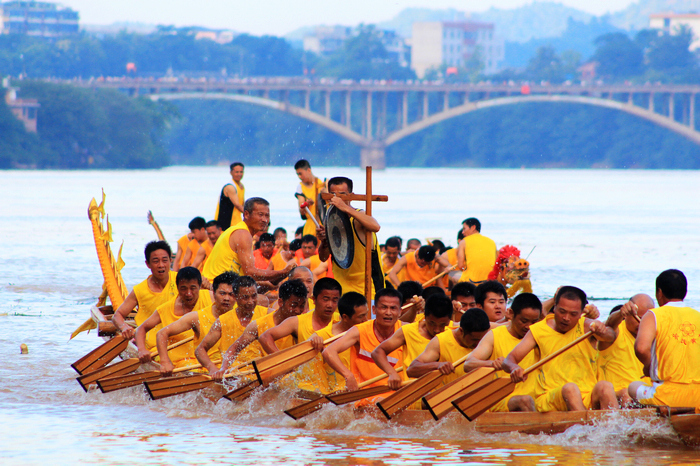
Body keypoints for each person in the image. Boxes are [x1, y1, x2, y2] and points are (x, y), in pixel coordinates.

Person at [502, 286, 619, 412]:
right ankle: (586, 428)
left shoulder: (587, 326)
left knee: (605, 386)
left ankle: (615, 430)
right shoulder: (539, 330)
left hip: (586, 394)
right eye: (562, 311)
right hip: (549, 397)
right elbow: (509, 359)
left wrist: (602, 331)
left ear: (581, 314)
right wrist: (515, 368)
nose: (566, 318)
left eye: (573, 314)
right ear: (555, 307)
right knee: (570, 389)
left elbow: (610, 336)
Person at [210, 279, 308, 380]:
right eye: (293, 305)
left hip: (293, 379)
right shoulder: (258, 325)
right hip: (268, 378)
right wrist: (223, 369)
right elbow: (234, 349)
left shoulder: (302, 322)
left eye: (302, 306)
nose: (298, 311)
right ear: (280, 302)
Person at [629, 269, 700, 407]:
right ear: (685, 292)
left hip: (667, 397)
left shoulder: (653, 315)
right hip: (698, 397)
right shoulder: (698, 315)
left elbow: (641, 348)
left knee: (633, 386)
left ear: (659, 293)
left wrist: (649, 366)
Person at [259, 278, 343, 393]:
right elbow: (265, 337)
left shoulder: (343, 321)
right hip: (306, 389)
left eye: (335, 300)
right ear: (314, 299)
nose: (330, 305)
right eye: (325, 299)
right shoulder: (297, 322)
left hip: (338, 389)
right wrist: (285, 363)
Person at [463, 293, 542, 412]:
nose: (529, 327)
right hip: (501, 400)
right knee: (525, 401)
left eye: (534, 322)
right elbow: (468, 364)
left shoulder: (539, 336)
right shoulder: (495, 335)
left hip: (535, 398)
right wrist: (492, 364)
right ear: (510, 314)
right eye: (524, 321)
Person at [156, 272, 237, 376]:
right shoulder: (197, 317)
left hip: (233, 369)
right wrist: (165, 362)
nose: (226, 298)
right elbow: (162, 333)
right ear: (213, 294)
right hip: (207, 371)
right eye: (222, 293)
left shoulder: (243, 315)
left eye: (231, 294)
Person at [323, 289, 404, 391]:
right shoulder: (360, 330)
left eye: (393, 308)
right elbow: (328, 352)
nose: (388, 313)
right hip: (365, 396)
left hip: (397, 394)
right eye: (384, 307)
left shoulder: (406, 330)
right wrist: (348, 375)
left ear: (400, 311)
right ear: (374, 310)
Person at [317, 176, 384, 297]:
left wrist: (344, 207)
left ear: (351, 195)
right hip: (341, 292)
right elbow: (323, 257)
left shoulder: (359, 217)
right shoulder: (330, 221)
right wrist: (324, 242)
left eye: (342, 195)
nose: (338, 199)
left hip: (367, 291)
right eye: (333, 195)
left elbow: (376, 226)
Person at [203, 197, 295, 283]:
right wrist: (283, 272)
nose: (264, 220)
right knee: (263, 300)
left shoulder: (238, 230)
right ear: (246, 214)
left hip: (221, 284)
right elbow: (250, 273)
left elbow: (245, 276)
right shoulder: (243, 234)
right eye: (260, 215)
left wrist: (267, 284)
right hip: (214, 287)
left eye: (267, 215)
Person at [372, 294, 453, 389]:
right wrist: (392, 373)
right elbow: (377, 352)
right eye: (432, 323)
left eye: (443, 324)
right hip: (413, 398)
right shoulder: (409, 331)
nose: (437, 330)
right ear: (424, 316)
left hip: (443, 398)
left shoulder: (453, 331)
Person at [134, 267, 212, 364]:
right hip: (177, 362)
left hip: (206, 358)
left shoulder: (211, 298)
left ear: (200, 287)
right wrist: (141, 349)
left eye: (193, 288)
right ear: (177, 287)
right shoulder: (165, 308)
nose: (188, 294)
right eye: (183, 289)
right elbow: (141, 329)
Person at [195, 275, 268, 375]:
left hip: (262, 373)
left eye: (254, 296)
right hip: (232, 377)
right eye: (245, 297)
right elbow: (200, 350)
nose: (250, 302)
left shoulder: (268, 315)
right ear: (235, 297)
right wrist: (212, 369)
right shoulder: (223, 321)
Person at [407, 308, 490, 386]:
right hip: (444, 399)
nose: (479, 343)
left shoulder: (490, 337)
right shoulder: (441, 341)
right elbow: (412, 369)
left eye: (483, 338)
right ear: (461, 331)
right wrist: (437, 365)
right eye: (474, 339)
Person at [112, 241, 177, 341]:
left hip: (180, 341)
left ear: (170, 261)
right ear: (148, 264)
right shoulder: (139, 290)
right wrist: (124, 327)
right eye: (156, 261)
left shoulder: (181, 281)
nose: (161, 265)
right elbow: (117, 315)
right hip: (151, 345)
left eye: (165, 260)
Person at [597, 295, 654, 405]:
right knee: (626, 395)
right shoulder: (615, 332)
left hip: (644, 393)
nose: (642, 323)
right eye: (639, 318)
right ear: (627, 315)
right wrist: (620, 312)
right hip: (617, 395)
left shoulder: (654, 336)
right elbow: (609, 325)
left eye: (647, 319)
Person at [308, 292, 370, 391]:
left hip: (363, 390)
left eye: (366, 314)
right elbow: (305, 351)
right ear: (345, 317)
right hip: (335, 395)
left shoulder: (367, 330)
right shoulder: (323, 336)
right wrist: (312, 341)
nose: (366, 320)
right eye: (360, 317)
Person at [457, 218, 497, 284]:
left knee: (451, 274)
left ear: (473, 227)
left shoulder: (463, 242)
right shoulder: (491, 242)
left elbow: (461, 265)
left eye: (464, 229)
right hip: (489, 281)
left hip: (471, 281)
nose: (462, 232)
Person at [294, 159, 326, 236]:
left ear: (308, 170)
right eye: (297, 174)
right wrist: (307, 204)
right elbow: (301, 211)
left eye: (300, 174)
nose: (299, 177)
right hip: (310, 226)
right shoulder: (300, 188)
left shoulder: (322, 183)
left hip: (324, 225)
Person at [215, 162, 245, 230]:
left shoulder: (241, 186)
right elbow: (237, 205)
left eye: (241, 172)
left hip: (237, 221)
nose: (239, 174)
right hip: (226, 223)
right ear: (231, 172)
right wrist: (250, 215)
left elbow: (243, 204)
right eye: (237, 172)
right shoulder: (230, 187)